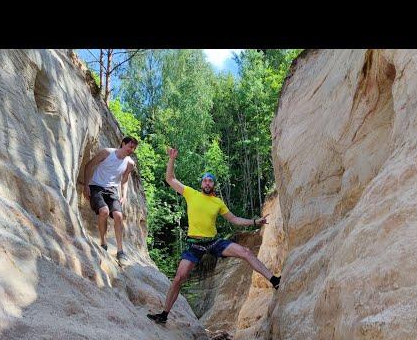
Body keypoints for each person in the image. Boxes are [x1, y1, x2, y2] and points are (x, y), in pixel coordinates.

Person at [147, 147, 280, 324]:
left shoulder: (217, 202)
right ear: (201, 184)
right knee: (179, 278)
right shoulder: (191, 194)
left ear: (213, 185)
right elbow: (170, 179)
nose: (207, 183)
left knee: (246, 252)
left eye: (210, 181)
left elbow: (234, 219)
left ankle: (274, 279)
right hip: (194, 244)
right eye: (205, 181)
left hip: (214, 242)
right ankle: (164, 314)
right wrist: (171, 159)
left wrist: (256, 222)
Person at [83, 136, 138, 265]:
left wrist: (124, 195)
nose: (132, 150)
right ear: (123, 144)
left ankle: (120, 251)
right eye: (130, 146)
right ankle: (103, 243)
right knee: (104, 211)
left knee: (119, 215)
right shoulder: (107, 153)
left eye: (134, 148)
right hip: (96, 186)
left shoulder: (130, 163)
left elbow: (124, 180)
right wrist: (86, 185)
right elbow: (89, 165)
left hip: (112, 190)